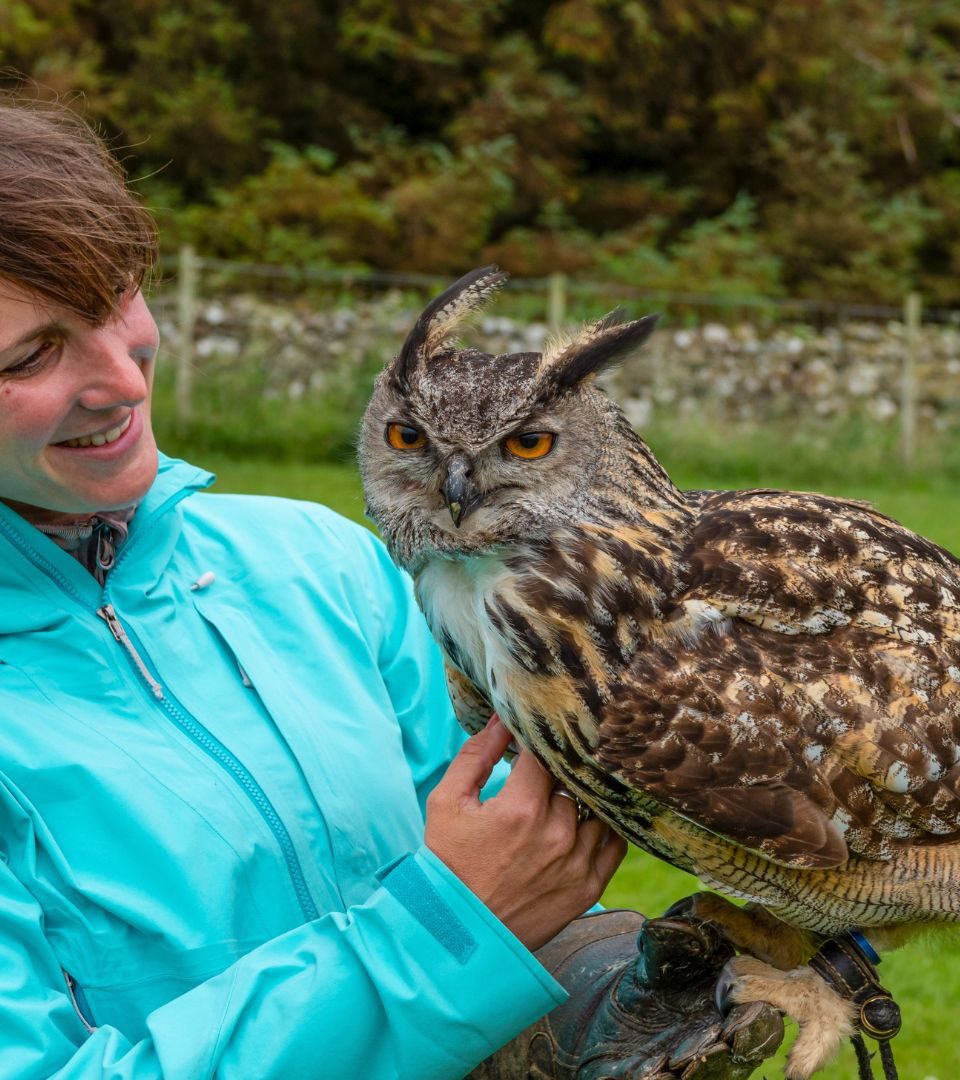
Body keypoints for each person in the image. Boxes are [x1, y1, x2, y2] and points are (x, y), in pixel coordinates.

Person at [0, 96, 781, 1079]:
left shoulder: (316, 565)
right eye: (31, 356)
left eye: (118, 299)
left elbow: (502, 851)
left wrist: (603, 973)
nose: (121, 378)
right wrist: (440, 936)